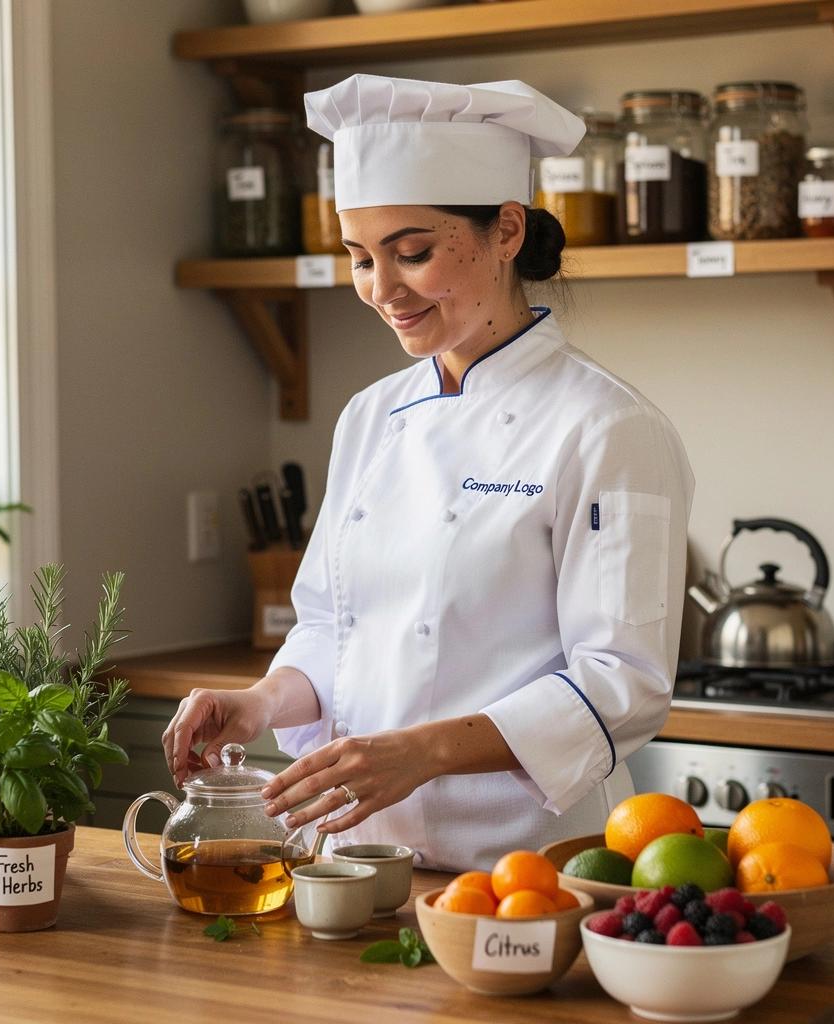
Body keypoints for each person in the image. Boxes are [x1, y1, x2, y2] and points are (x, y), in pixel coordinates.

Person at [163, 75, 694, 871]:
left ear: (507, 230)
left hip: (524, 871)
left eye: (412, 254)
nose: (382, 291)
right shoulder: (370, 417)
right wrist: (259, 702)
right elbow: (330, 627)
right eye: (360, 258)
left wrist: (426, 752)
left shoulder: (609, 428)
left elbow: (622, 684)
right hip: (352, 861)